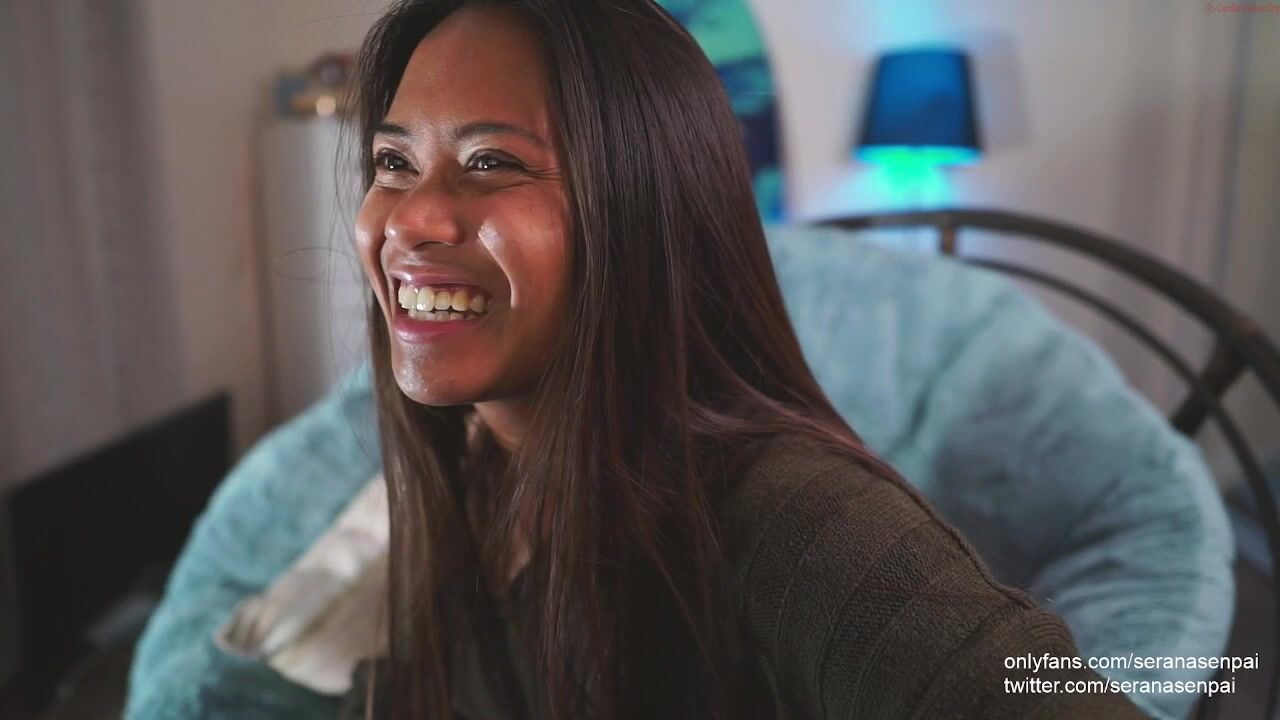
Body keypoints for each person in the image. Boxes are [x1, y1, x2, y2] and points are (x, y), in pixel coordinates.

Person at [343, 0, 1147, 718]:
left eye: (491, 161)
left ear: (646, 207)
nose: (410, 219)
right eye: (394, 163)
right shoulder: (477, 469)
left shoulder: (799, 521)